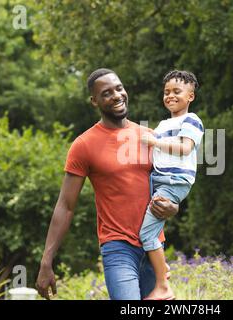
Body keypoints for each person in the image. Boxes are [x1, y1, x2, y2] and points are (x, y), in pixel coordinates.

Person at [35, 68, 179, 300]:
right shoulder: (84, 145)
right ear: (94, 101)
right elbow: (65, 205)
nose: (116, 95)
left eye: (119, 88)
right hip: (118, 248)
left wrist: (173, 207)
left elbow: (169, 187)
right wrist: (46, 261)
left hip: (154, 247)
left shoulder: (150, 136)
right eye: (106, 93)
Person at [139, 70, 204, 300]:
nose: (170, 96)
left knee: (146, 234)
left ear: (190, 97)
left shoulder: (191, 120)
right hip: (158, 179)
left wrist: (155, 141)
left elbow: (186, 148)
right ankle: (161, 266)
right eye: (166, 92)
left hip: (174, 182)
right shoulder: (164, 124)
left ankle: (162, 285)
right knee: (148, 228)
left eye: (177, 91)